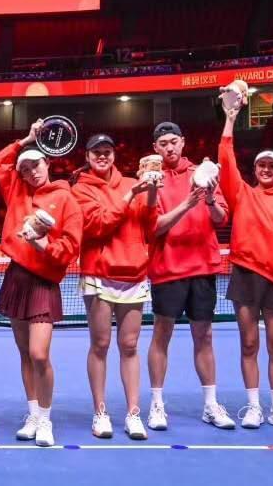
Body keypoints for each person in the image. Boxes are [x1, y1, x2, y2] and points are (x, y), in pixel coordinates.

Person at [216, 103, 273, 432]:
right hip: (245, 276)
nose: (266, 170)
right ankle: (254, 406)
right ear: (254, 169)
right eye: (261, 165)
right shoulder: (242, 194)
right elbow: (226, 159)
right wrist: (230, 119)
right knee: (249, 344)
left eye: (272, 166)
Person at [0, 120, 82, 448]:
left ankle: (45, 418)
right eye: (25, 169)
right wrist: (26, 139)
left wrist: (43, 245)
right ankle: (32, 414)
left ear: (48, 163)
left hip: (44, 281)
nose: (32, 173)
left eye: (36, 165)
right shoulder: (17, 191)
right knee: (24, 354)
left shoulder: (66, 199)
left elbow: (71, 248)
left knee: (39, 354)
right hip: (17, 276)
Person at [145, 122, 234, 431]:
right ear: (155, 148)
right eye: (163, 143)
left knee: (204, 336)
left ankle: (210, 404)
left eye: (173, 141)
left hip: (202, 268)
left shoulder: (204, 173)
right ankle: (157, 404)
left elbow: (222, 218)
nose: (169, 147)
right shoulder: (152, 179)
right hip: (167, 268)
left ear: (183, 142)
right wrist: (187, 204)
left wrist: (208, 199)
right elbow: (154, 228)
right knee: (162, 335)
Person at [73, 133, 156, 440]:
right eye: (96, 151)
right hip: (99, 273)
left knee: (130, 345)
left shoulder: (133, 182)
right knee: (100, 344)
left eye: (107, 151)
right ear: (87, 156)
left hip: (133, 272)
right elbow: (98, 225)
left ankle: (134, 413)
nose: (102, 156)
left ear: (114, 155)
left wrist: (151, 192)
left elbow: (149, 223)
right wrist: (130, 195)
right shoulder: (80, 189)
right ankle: (100, 412)